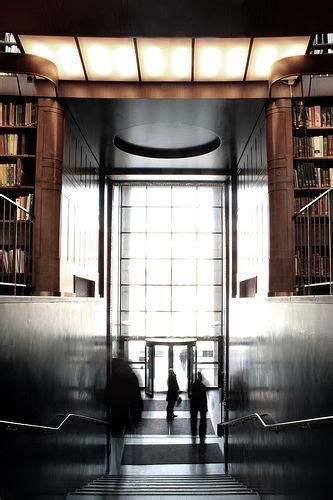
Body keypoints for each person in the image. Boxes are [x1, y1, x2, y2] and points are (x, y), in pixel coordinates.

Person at [109, 358, 143, 435]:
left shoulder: (115, 377)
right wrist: (136, 417)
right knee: (119, 436)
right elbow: (136, 398)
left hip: (118, 413)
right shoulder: (131, 376)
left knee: (117, 434)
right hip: (123, 413)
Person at [190, 371, 208, 444]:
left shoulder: (193, 385)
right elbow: (204, 398)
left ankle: (194, 432)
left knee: (194, 419)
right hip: (202, 405)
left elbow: (192, 395)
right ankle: (202, 434)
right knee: (203, 420)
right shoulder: (203, 387)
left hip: (194, 404)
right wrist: (206, 407)